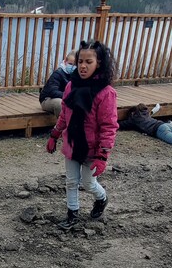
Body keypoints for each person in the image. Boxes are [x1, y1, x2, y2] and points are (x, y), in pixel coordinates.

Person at [46, 41, 118, 230]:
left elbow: (109, 126)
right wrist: (55, 134)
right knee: (71, 181)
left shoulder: (106, 93)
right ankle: (72, 214)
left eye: (89, 61)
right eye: (80, 62)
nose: (83, 66)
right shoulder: (71, 86)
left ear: (99, 63)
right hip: (72, 143)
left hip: (92, 148)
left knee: (88, 182)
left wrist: (103, 155)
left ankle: (101, 198)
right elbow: (65, 113)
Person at [39, 53, 76, 119]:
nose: (72, 67)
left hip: (65, 99)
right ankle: (62, 127)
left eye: (75, 65)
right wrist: (68, 96)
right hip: (47, 99)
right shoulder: (58, 73)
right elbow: (52, 91)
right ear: (65, 62)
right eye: (70, 64)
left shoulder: (77, 76)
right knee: (59, 104)